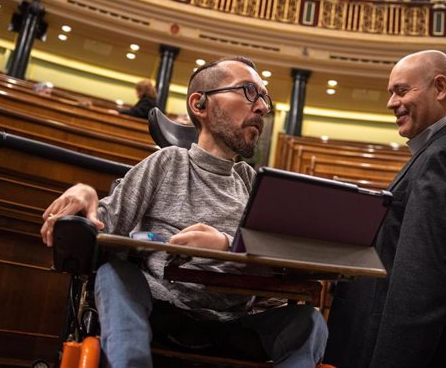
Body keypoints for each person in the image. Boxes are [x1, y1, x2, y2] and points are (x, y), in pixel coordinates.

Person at [41, 56, 328, 367]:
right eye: (248, 91)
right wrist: (84, 192)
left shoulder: (253, 183)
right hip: (159, 314)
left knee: (309, 322)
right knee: (115, 273)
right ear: (199, 104)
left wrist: (226, 245)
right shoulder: (167, 162)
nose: (261, 107)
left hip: (234, 324)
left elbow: (283, 257)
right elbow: (101, 227)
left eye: (263, 98)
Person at [324, 50, 446, 368]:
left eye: (401, 90)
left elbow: (421, 286)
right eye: (390, 93)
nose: (391, 103)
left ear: (439, 88)